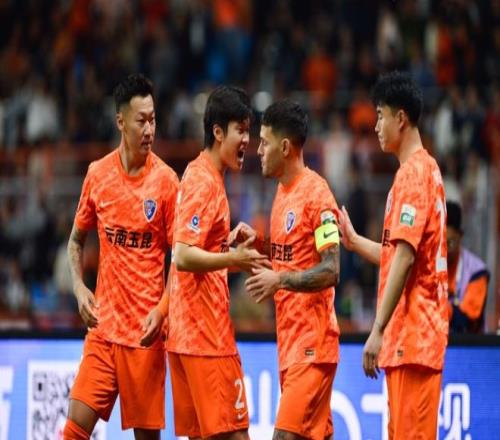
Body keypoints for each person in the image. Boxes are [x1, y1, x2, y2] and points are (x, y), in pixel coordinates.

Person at [63, 74, 178, 440]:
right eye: (141, 120)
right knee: (73, 429)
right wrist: (79, 288)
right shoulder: (98, 175)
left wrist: (162, 310)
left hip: (145, 337)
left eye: (153, 120)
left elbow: (181, 261)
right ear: (121, 122)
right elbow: (75, 241)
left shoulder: (166, 182)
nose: (149, 129)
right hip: (104, 331)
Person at [337, 71, 448, 439]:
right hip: (414, 341)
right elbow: (398, 253)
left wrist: (378, 329)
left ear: (401, 118)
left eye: (381, 116)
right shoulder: (424, 170)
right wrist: (355, 242)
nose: (376, 127)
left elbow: (404, 259)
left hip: (413, 338)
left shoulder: (413, 175)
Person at [234, 99, 341, 440]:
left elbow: (332, 269)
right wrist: (260, 243)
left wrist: (279, 279)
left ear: (284, 147)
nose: (258, 150)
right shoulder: (282, 191)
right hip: (290, 344)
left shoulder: (317, 195)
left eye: (264, 143)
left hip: (313, 346)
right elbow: (293, 252)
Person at [166, 86, 270, 440]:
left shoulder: (203, 176)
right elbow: (182, 255)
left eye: (249, 131)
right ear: (218, 132)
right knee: (235, 435)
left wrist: (226, 244)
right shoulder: (203, 181)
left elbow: (195, 248)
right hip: (206, 339)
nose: (247, 140)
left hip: (185, 337)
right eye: (240, 130)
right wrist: (233, 257)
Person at [446, 201, 490, 333]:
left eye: (450, 243)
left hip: (467, 343)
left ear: (460, 235)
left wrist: (444, 308)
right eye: (440, 242)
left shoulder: (477, 271)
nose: (445, 250)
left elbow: (467, 321)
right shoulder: (429, 265)